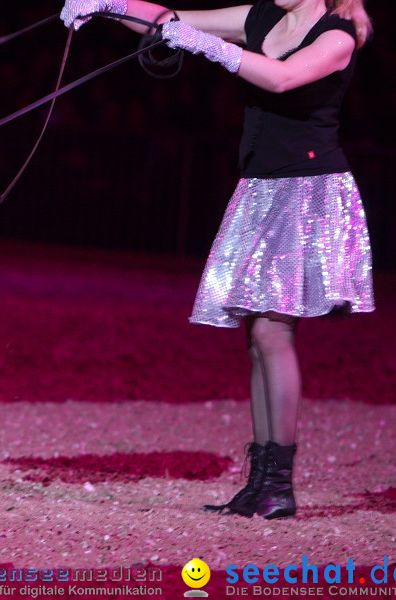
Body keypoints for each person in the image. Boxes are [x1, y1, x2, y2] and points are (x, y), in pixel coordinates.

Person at [60, 0, 374, 519]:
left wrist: (212, 48)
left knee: (274, 333)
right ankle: (262, 481)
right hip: (261, 187)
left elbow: (281, 78)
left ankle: (279, 483)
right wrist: (107, 6)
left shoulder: (339, 32)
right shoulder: (263, 16)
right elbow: (168, 19)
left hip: (308, 191)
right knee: (257, 336)